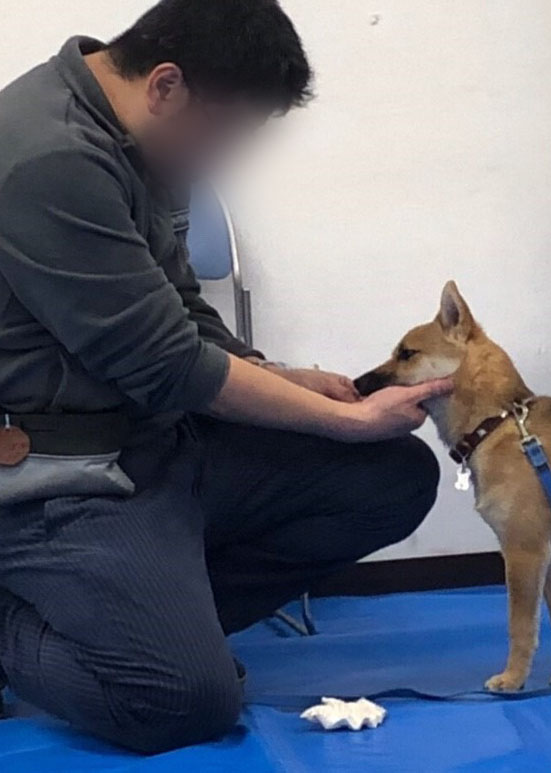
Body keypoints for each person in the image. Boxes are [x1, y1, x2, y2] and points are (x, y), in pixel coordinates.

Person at [0, 0, 452, 754]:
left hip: (153, 443)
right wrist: (341, 418)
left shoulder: (147, 142)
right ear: (166, 85)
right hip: (59, 477)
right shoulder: (47, 158)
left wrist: (285, 378)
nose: (224, 157)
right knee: (177, 702)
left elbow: (180, 310)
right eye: (228, 131)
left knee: (391, 476)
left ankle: (158, 624)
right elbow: (166, 363)